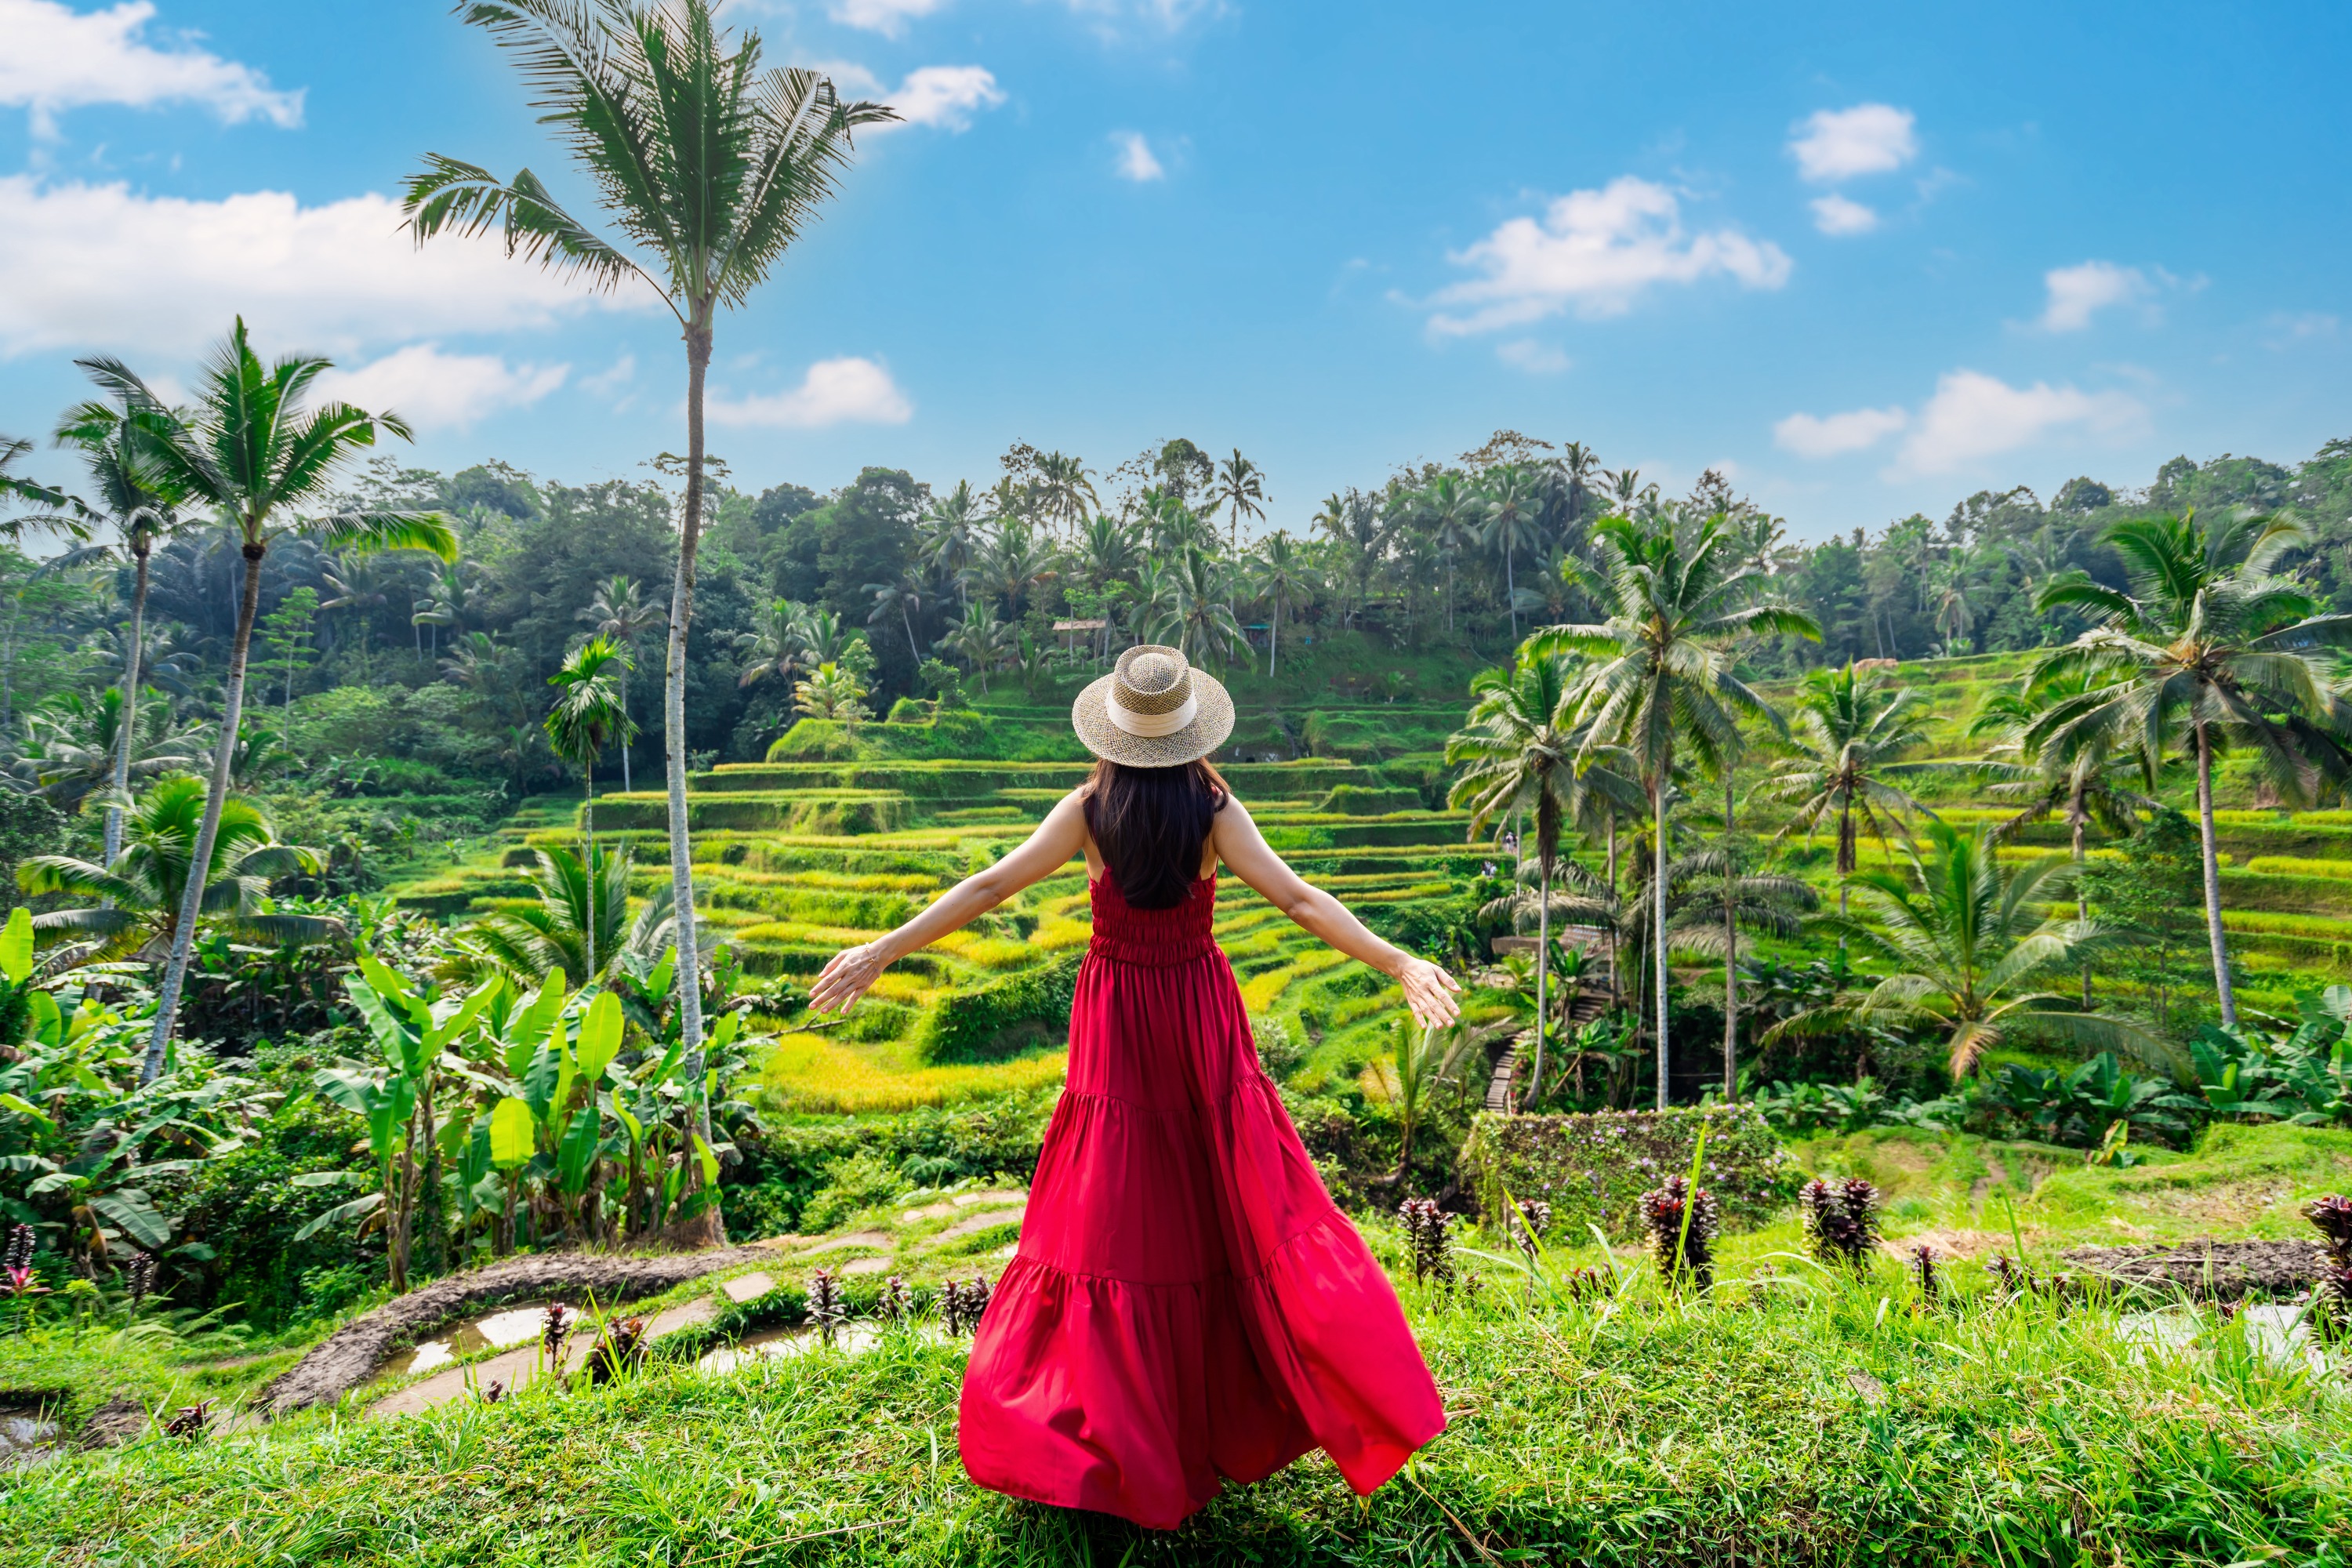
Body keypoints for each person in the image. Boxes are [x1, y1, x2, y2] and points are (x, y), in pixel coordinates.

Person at [810, 644, 1461, 1530]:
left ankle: (1121, 1433)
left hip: (1118, 1015)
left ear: (1112, 733)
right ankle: (1234, 1404)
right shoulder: (1214, 808)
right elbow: (1301, 900)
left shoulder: (1087, 809)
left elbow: (993, 882)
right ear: (1191, 731)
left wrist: (882, 948)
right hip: (1197, 1011)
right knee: (1222, 1197)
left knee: (1118, 1212)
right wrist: (1398, 959)